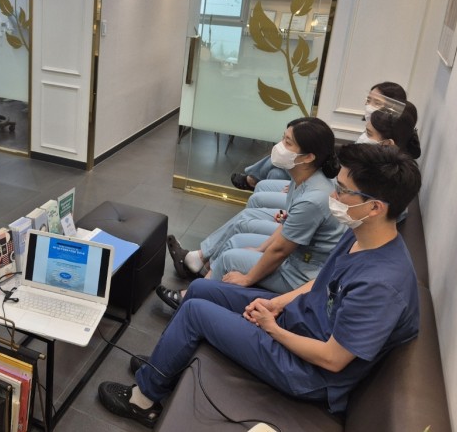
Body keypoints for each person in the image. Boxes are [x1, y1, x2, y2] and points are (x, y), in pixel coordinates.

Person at [97, 144, 422, 428]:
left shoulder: (382, 285)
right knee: (199, 290)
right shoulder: (360, 235)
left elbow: (332, 360)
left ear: (375, 207)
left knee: (195, 312)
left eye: (342, 190)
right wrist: (277, 303)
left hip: (308, 373)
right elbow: (320, 282)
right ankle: (164, 366)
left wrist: (272, 328)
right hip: (296, 323)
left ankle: (144, 400)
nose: (333, 197)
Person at [159, 117, 342, 303]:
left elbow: (280, 250)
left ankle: (190, 298)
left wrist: (248, 278)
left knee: (230, 259)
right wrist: (260, 249)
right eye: (283, 138)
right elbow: (287, 225)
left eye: (288, 143)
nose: (280, 146)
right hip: (295, 256)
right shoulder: (302, 178)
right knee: (236, 241)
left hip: (301, 274)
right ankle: (204, 281)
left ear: (308, 157)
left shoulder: (312, 200)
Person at [230, 81, 407, 191]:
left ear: (393, 110)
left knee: (285, 156)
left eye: (376, 103)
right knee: (277, 169)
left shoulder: (385, 148)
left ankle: (252, 179)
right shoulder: (371, 129)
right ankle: (254, 182)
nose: (368, 106)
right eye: (368, 100)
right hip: (331, 172)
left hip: (330, 179)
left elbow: (348, 180)